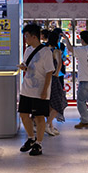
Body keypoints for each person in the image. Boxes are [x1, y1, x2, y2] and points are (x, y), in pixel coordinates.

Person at [17, 23, 55, 156]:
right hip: (26, 89)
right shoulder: (28, 50)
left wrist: (45, 90)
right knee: (23, 114)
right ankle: (31, 138)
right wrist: (23, 67)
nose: (25, 39)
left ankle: (39, 143)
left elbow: (49, 72)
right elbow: (27, 65)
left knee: (39, 117)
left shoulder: (46, 52)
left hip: (40, 90)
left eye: (27, 36)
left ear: (34, 36)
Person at [70, 30, 88, 129]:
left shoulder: (81, 50)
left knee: (81, 101)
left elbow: (70, 49)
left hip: (85, 79)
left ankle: (85, 121)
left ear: (82, 40)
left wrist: (66, 38)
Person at [45, 28, 67, 136]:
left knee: (49, 103)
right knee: (59, 103)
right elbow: (59, 64)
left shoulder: (44, 50)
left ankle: (50, 126)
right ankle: (47, 125)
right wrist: (57, 73)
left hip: (45, 78)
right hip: (54, 79)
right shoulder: (56, 51)